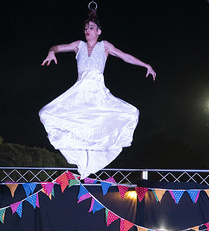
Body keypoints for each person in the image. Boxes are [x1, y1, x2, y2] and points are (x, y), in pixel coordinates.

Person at [39, 10, 156, 178]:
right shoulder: (79, 45)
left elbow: (125, 57)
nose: (88, 30)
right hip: (79, 92)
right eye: (86, 27)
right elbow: (57, 47)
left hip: (98, 93)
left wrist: (146, 65)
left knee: (131, 113)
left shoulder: (104, 46)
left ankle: (94, 160)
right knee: (46, 113)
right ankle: (81, 159)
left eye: (92, 27)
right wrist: (52, 52)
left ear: (98, 32)